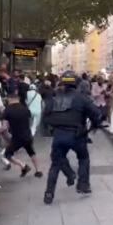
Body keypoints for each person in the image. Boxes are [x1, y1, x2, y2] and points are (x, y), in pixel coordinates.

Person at [43, 71, 101, 204]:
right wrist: (94, 125)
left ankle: (49, 192)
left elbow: (46, 117)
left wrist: (54, 126)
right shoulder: (81, 98)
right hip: (77, 135)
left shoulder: (54, 97)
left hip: (58, 134)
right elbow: (96, 113)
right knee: (83, 158)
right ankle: (83, 185)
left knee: (55, 163)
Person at [1, 94, 43, 177]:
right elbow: (29, 120)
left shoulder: (7, 110)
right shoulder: (25, 109)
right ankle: (38, 171)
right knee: (31, 152)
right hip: (27, 134)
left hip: (17, 136)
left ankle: (23, 165)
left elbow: (5, 127)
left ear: (9, 99)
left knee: (8, 154)